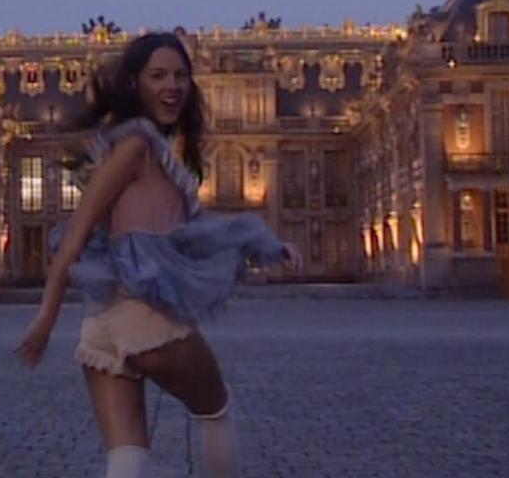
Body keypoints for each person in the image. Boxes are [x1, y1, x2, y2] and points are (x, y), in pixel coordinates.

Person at [15, 32, 300, 477]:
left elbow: (196, 235)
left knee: (127, 454)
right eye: (159, 76)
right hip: (144, 313)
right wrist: (45, 319)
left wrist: (264, 243)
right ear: (134, 83)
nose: (172, 86)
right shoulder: (135, 147)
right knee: (216, 409)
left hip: (102, 324)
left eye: (181, 76)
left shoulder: (150, 151)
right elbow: (77, 233)